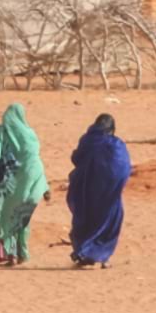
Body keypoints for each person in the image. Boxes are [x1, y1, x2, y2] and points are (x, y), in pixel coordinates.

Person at [0, 103, 50, 266]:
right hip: (25, 185)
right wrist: (44, 186)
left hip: (5, 185)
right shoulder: (30, 136)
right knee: (22, 217)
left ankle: (10, 254)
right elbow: (35, 165)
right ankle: (22, 253)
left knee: (4, 216)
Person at [66, 114, 132, 269]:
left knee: (86, 219)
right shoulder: (117, 145)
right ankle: (103, 257)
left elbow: (77, 158)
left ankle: (84, 254)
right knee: (109, 222)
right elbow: (122, 167)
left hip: (86, 190)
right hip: (109, 194)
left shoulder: (88, 140)